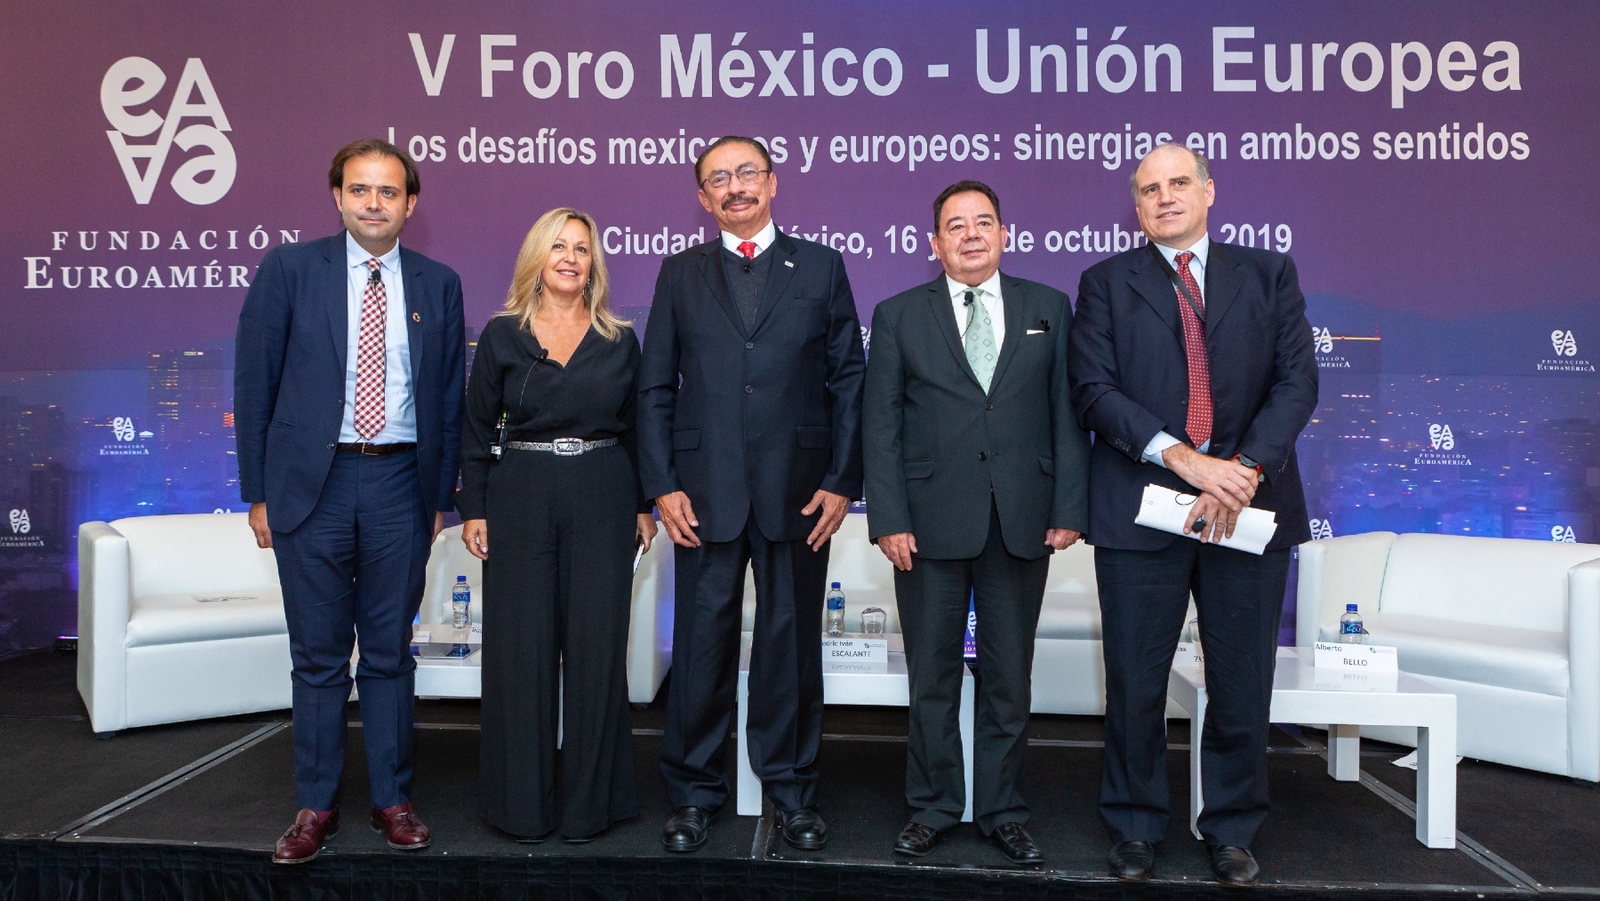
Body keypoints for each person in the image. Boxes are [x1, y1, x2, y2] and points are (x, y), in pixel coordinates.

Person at [1068, 144, 1318, 885]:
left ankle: (1233, 827)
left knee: (1241, 681)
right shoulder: (1106, 283)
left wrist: (1237, 472)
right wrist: (1185, 459)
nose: (1166, 197)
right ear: (1136, 206)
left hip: (1248, 506)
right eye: (1150, 189)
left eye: (1179, 183)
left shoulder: (1269, 273)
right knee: (1136, 681)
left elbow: (1298, 382)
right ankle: (1136, 825)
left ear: (1210, 190)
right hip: (1142, 508)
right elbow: (1093, 389)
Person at [234, 138, 465, 863]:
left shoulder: (439, 283)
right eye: (360, 189)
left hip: (401, 484)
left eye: (388, 192)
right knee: (319, 656)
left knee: (392, 653)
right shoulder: (289, 270)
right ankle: (316, 804)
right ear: (337, 196)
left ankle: (392, 799)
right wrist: (258, 492)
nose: (374, 203)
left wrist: (438, 495)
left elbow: (450, 398)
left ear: (410, 203)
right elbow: (254, 383)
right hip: (311, 488)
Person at [638, 135, 865, 853]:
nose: (735, 188)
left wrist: (841, 481)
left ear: (772, 183)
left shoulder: (822, 267)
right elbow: (654, 388)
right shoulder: (680, 273)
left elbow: (848, 381)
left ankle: (792, 789)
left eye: (746, 174)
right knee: (699, 649)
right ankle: (695, 793)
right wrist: (661, 485)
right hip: (702, 496)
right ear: (703, 198)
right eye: (718, 180)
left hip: (799, 494)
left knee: (790, 648)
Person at [863, 180, 1090, 866]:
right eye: (954, 225)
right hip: (926, 526)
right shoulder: (899, 314)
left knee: (1007, 677)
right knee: (932, 674)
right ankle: (933, 804)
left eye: (982, 222)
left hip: (1020, 522)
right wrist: (888, 518)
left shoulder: (1049, 308)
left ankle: (1001, 809)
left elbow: (1066, 416)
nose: (969, 234)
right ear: (933, 243)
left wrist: (1067, 507)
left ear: (1005, 233)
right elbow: (881, 426)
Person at [457, 208, 657, 843]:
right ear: (536, 258)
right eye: (559, 246)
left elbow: (640, 428)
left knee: (598, 653)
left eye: (582, 248)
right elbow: (475, 429)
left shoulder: (620, 338)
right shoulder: (501, 335)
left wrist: (644, 504)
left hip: (604, 491)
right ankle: (522, 808)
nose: (571, 257)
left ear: (594, 262)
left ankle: (590, 808)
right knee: (522, 654)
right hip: (520, 494)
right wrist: (476, 508)